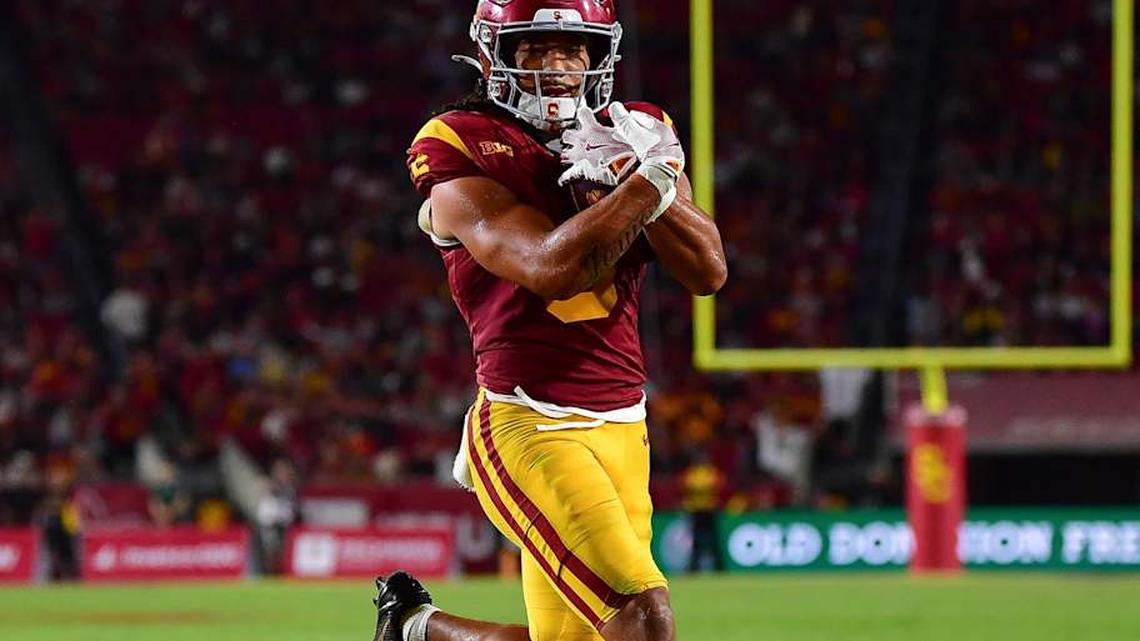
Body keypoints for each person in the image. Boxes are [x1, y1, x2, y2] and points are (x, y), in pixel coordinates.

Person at [376, 2, 726, 641]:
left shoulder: (635, 127)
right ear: (494, 56)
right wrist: (643, 187)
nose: (560, 68)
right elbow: (549, 267)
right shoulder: (457, 141)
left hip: (625, 426)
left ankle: (416, 628)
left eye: (575, 49)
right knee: (643, 618)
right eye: (537, 48)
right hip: (529, 422)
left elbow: (708, 272)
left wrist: (648, 176)